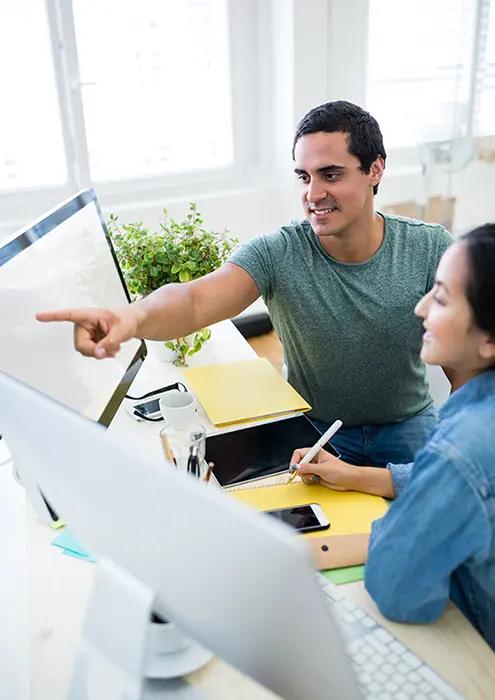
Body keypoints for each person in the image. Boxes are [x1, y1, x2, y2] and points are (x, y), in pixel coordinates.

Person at [37, 101, 453, 465]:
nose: (314, 193)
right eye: (304, 177)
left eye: (331, 174)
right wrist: (130, 317)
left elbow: (469, 370)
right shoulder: (280, 251)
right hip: (316, 431)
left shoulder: (430, 248)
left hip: (407, 428)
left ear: (375, 169)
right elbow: (195, 300)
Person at [290, 224, 495, 650]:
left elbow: (397, 588)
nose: (420, 308)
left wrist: (397, 528)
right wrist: (356, 475)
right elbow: (453, 483)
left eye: (440, 297)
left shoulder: (462, 449)